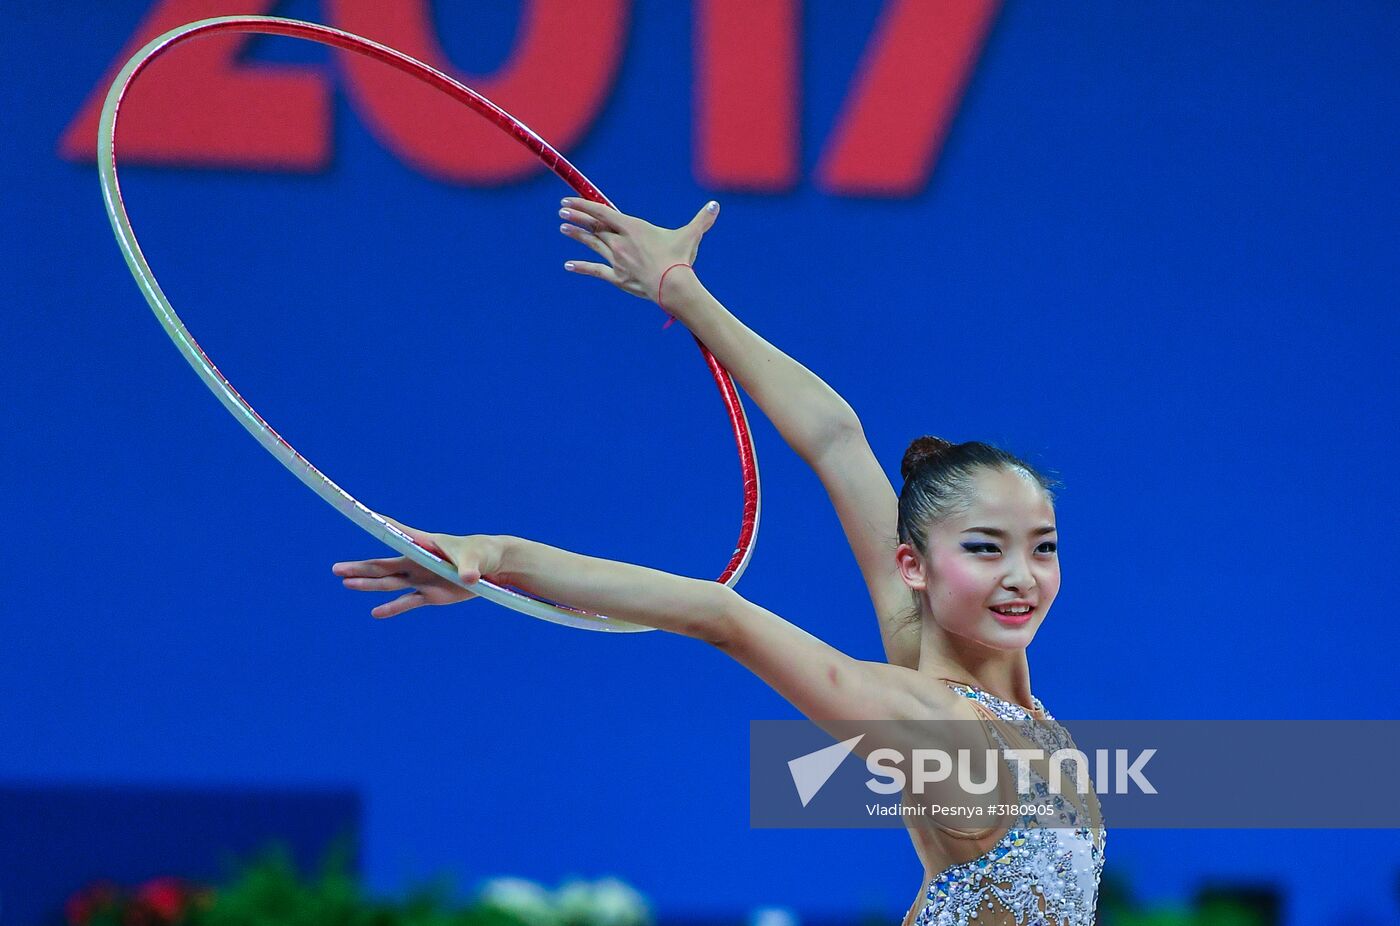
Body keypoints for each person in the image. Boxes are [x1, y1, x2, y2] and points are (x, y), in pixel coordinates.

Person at [331, 198, 1105, 925]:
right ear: (915, 566)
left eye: (1042, 547)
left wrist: (680, 289)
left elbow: (837, 439)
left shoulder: (977, 694)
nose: (1021, 575)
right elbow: (722, 615)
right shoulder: (935, 725)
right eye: (985, 549)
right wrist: (501, 556)